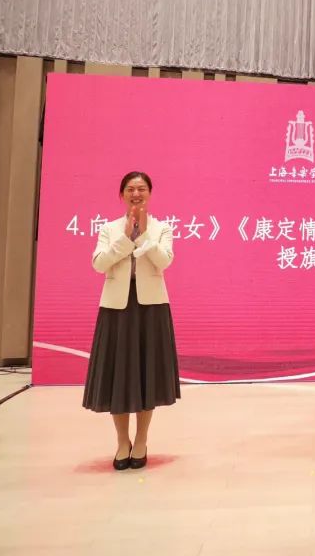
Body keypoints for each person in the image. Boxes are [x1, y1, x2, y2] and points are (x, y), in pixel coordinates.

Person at [83, 172, 180, 470]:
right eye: (130, 189)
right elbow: (99, 264)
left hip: (151, 308)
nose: (136, 194)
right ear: (121, 194)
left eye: (141, 189)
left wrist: (145, 236)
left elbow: (165, 261)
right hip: (117, 309)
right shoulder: (109, 228)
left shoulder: (162, 228)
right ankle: (122, 441)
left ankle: (141, 440)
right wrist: (125, 238)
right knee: (119, 377)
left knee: (146, 376)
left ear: (150, 193)